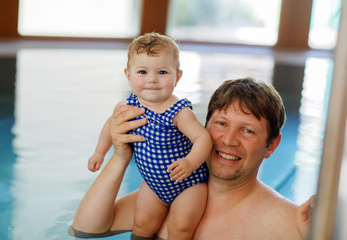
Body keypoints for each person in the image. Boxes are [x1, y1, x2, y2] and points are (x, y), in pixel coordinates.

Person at [70, 77, 314, 239]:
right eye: (221, 123)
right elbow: (84, 229)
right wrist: (120, 158)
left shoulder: (289, 223)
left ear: (271, 145)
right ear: (202, 127)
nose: (228, 140)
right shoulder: (169, 193)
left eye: (247, 130)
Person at [85, 32, 212, 239]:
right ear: (128, 75)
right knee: (142, 225)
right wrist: (99, 152)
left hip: (189, 184)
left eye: (162, 72)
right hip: (154, 186)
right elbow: (110, 124)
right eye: (142, 72)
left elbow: (203, 138)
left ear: (177, 76)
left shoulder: (178, 111)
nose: (152, 79)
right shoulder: (127, 106)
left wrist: (189, 162)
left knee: (180, 228)